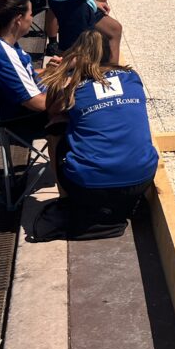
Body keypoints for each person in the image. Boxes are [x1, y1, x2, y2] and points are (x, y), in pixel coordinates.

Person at [35, 29, 159, 241]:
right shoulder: (132, 76)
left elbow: (51, 110)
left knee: (56, 128)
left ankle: (65, 200)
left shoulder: (72, 86)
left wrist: (66, 70)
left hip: (89, 186)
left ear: (77, 53)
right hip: (142, 178)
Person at [0, 0, 54, 136]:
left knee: (78, 80)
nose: (32, 19)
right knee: (90, 101)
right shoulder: (3, 55)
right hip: (22, 119)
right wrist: (75, 96)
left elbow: (25, 77)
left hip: (21, 109)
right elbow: (37, 103)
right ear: (19, 19)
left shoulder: (2, 44)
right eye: (31, 14)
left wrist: (51, 70)